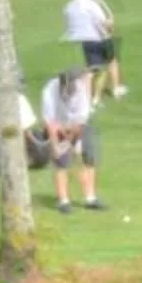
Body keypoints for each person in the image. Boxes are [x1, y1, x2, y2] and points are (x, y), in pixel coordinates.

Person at [40, 66, 103, 213]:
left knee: (87, 159)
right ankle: (63, 201)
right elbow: (50, 122)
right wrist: (55, 146)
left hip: (78, 126)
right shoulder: (49, 91)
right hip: (57, 126)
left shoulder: (80, 90)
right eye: (66, 89)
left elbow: (81, 121)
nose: (68, 92)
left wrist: (73, 140)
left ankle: (90, 199)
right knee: (61, 162)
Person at [62, 0, 127, 99]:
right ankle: (116, 89)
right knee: (111, 62)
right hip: (101, 39)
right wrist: (111, 24)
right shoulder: (92, 4)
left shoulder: (71, 5)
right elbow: (105, 23)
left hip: (86, 41)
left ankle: (87, 97)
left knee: (91, 70)